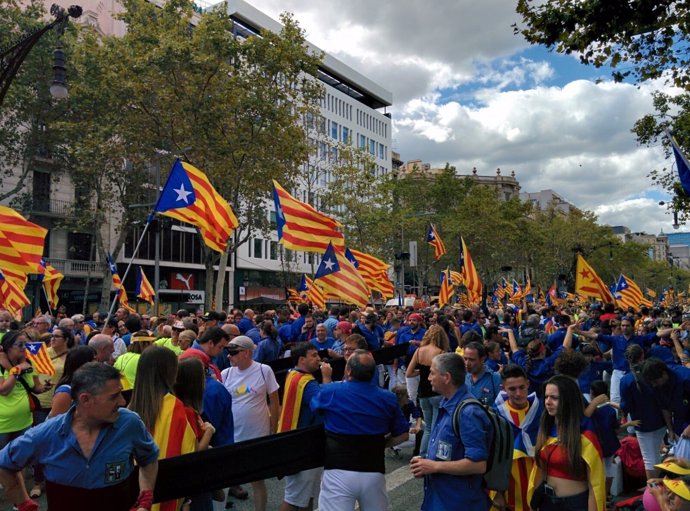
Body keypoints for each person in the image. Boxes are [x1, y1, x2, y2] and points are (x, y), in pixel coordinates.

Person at [0, 362, 159, 511]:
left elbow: (149, 458)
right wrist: (24, 504)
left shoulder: (129, 423)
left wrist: (145, 498)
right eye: (114, 396)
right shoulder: (46, 434)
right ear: (85, 399)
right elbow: (4, 464)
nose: (122, 402)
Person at [312, 349, 408, 511]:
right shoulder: (388, 398)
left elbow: (317, 407)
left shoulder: (332, 391)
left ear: (348, 371)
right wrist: (380, 444)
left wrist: (327, 378)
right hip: (373, 470)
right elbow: (404, 434)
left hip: (338, 470)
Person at [410, 352, 492, 511]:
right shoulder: (447, 404)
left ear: (446, 377)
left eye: (432, 373)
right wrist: (426, 463)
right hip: (440, 500)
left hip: (459, 503)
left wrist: (434, 467)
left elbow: (478, 464)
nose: (428, 378)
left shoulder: (468, 413)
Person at [129, 346, 196, 511]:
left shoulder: (128, 407)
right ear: (169, 372)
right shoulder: (174, 406)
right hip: (165, 488)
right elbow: (188, 451)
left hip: (132, 490)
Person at [529, 374, 606, 511]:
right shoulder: (545, 431)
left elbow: (595, 484)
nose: (548, 402)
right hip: (546, 502)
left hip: (575, 504)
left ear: (568, 400)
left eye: (554, 398)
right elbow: (539, 471)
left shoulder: (585, 436)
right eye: (546, 397)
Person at [221, 336, 279, 511]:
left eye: (233, 352)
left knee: (257, 480)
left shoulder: (264, 370)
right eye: (228, 352)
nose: (229, 356)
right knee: (223, 479)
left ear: (246, 353)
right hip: (231, 434)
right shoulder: (226, 373)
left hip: (257, 434)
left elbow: (275, 402)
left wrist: (273, 429)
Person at [277, 342, 332, 511]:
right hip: (304, 446)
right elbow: (325, 405)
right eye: (313, 356)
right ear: (302, 359)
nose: (318, 359)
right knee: (293, 499)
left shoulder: (293, 374)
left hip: (298, 442)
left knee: (306, 497)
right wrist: (327, 378)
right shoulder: (307, 382)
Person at [492, 364, 544, 511]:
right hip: (509, 487)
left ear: (528, 384)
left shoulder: (541, 410)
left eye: (522, 387)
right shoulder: (496, 415)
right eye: (512, 389)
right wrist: (496, 493)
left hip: (538, 483)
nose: (518, 393)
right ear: (503, 388)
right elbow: (490, 456)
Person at [405, 324, 448, 457]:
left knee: (428, 427)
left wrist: (421, 372)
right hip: (436, 392)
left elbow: (408, 373)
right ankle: (431, 455)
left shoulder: (419, 351)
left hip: (422, 393)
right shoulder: (441, 353)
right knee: (436, 426)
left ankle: (422, 454)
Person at [48, 346, 97, 418]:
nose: (97, 362)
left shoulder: (89, 385)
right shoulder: (65, 392)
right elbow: (56, 423)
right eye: (94, 359)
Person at [463, 341, 502, 405]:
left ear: (482, 359)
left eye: (472, 360)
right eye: (465, 359)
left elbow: (500, 405)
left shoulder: (494, 378)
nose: (467, 363)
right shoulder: (462, 377)